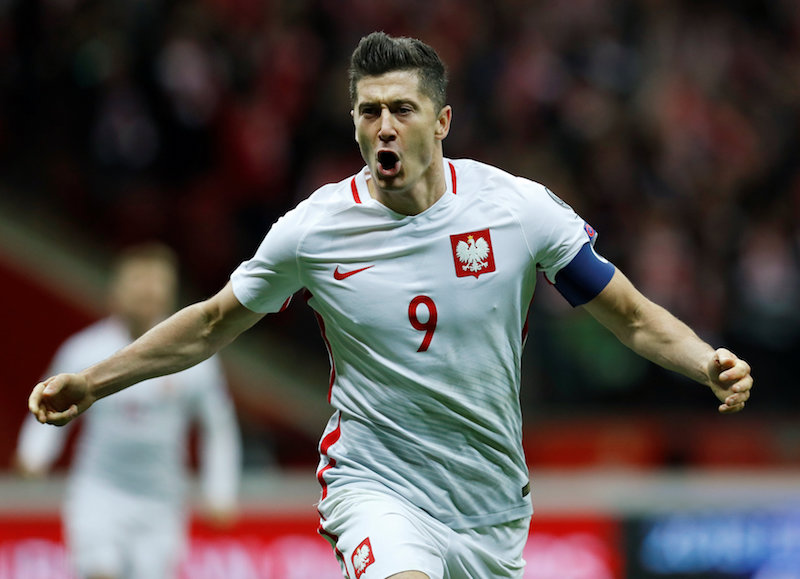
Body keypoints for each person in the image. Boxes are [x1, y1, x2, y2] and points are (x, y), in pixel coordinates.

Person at [28, 33, 752, 579]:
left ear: (441, 121)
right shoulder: (314, 230)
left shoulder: (518, 209)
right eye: (369, 111)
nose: (384, 126)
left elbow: (625, 311)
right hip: (374, 481)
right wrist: (94, 381)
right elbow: (214, 322)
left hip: (491, 501)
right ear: (352, 123)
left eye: (402, 108)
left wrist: (704, 361)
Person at [18, 242, 241, 579]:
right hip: (98, 492)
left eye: (157, 283)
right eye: (139, 282)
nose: (147, 292)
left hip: (162, 501)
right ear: (118, 289)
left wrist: (220, 490)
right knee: (99, 572)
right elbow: (49, 402)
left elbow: (218, 426)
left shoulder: (193, 359)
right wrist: (34, 454)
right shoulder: (85, 350)